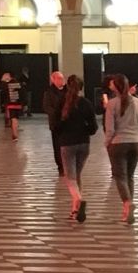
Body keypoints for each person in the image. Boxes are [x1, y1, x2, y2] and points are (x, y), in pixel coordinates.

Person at [104, 72, 138, 223]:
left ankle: (127, 203)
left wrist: (107, 143)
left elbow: (110, 128)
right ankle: (128, 207)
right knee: (129, 176)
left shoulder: (112, 104)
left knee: (120, 177)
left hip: (118, 143)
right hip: (135, 143)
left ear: (115, 87)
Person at [56, 75, 98, 222]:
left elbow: (56, 125)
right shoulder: (86, 103)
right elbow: (94, 127)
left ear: (67, 86)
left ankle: (79, 200)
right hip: (84, 143)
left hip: (67, 143)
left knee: (70, 177)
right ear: (82, 87)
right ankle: (74, 209)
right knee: (77, 176)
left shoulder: (62, 102)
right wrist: (85, 130)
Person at [43, 70, 66, 175]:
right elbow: (47, 107)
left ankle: (67, 165)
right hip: (56, 124)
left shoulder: (68, 91)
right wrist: (57, 114)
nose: (62, 80)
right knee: (57, 146)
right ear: (53, 80)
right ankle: (60, 167)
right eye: (59, 78)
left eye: (62, 78)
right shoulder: (49, 93)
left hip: (67, 123)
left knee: (67, 145)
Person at [0, 72, 23, 141]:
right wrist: (23, 103)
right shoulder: (18, 84)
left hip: (11, 104)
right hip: (17, 104)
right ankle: (15, 134)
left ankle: (15, 135)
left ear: (8, 77)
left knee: (13, 118)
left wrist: (3, 81)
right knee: (15, 119)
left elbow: (3, 92)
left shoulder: (6, 84)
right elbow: (22, 93)